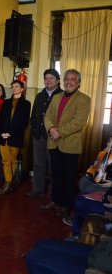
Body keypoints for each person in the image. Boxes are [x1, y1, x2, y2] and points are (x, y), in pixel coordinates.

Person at [42, 69, 91, 217]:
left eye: (73, 79)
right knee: (55, 174)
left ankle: (66, 205)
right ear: (63, 81)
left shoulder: (84, 99)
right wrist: (51, 128)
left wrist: (59, 132)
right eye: (67, 79)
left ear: (78, 83)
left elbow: (79, 122)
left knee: (69, 177)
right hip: (53, 143)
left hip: (70, 144)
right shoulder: (57, 97)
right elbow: (47, 116)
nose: (69, 82)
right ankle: (55, 201)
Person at [27, 69, 63, 197]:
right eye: (46, 78)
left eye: (51, 78)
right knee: (38, 163)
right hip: (38, 135)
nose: (48, 80)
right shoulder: (40, 95)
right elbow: (34, 115)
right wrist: (34, 128)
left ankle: (53, 193)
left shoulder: (62, 95)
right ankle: (38, 189)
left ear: (58, 81)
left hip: (54, 136)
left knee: (54, 165)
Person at [0, 80, 31, 195]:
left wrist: (11, 133)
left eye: (17, 86)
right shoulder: (6, 102)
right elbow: (1, 120)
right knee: (5, 160)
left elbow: (24, 123)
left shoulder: (26, 104)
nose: (14, 88)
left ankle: (12, 182)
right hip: (3, 136)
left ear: (22, 89)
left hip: (15, 136)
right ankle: (8, 182)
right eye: (12, 86)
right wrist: (2, 132)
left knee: (12, 159)